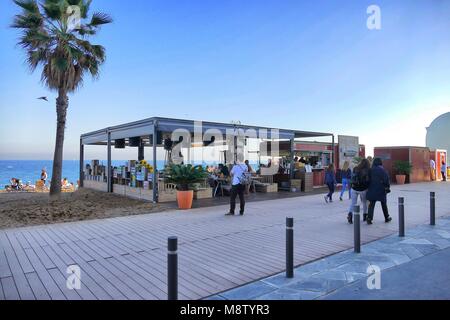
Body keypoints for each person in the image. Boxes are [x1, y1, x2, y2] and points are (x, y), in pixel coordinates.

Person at [366, 158, 392, 225]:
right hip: (381, 190)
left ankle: (369, 218)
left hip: (371, 189)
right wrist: (387, 187)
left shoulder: (370, 170)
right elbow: (386, 180)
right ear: (380, 163)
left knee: (371, 204)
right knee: (383, 204)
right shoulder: (383, 170)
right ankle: (387, 217)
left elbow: (367, 180)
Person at [347, 159, 370, 224]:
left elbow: (352, 177)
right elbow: (368, 180)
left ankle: (350, 215)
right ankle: (365, 215)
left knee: (353, 203)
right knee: (364, 203)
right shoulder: (367, 170)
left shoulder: (355, 168)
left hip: (354, 188)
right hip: (363, 189)